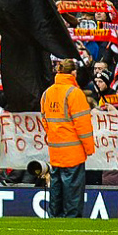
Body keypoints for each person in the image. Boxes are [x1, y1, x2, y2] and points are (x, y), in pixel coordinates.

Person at [39, 60, 95, 217]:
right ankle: (71, 221)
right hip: (73, 153)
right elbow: (83, 126)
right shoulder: (75, 93)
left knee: (56, 188)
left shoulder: (47, 93)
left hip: (55, 151)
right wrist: (89, 148)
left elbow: (45, 121)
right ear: (74, 73)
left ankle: (55, 219)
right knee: (73, 193)